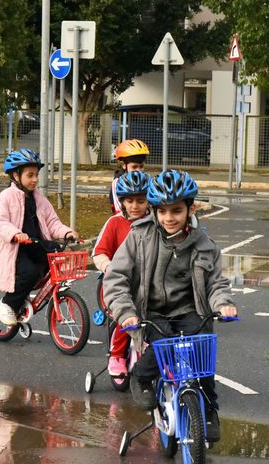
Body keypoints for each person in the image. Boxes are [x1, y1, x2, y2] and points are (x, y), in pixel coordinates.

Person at [102, 170, 237, 443]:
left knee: (201, 354)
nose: (169, 218)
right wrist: (126, 312)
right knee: (163, 341)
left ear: (191, 208)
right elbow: (116, 278)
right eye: (162, 211)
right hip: (151, 311)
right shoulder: (139, 237)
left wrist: (223, 304)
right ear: (154, 211)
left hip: (189, 310)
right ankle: (140, 377)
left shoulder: (204, 244)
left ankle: (209, 411)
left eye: (176, 210)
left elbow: (216, 282)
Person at [0, 149, 78, 326]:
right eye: (30, 175)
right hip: (16, 249)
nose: (35, 180)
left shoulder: (39, 198)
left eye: (37, 175)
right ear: (16, 175)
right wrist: (15, 234)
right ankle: (7, 303)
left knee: (56, 256)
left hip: (36, 243)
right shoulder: (5, 197)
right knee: (29, 272)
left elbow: (53, 222)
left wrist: (66, 233)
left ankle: (32, 296)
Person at [91, 170, 152, 381]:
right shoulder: (115, 223)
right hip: (120, 284)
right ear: (122, 202)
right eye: (129, 201)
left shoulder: (156, 222)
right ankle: (116, 355)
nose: (135, 206)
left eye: (141, 200)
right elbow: (99, 252)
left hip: (148, 283)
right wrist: (109, 267)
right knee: (124, 316)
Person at [109, 139, 149, 214]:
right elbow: (119, 210)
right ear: (123, 165)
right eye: (134, 167)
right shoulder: (117, 182)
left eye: (141, 166)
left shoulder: (146, 180)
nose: (139, 171)